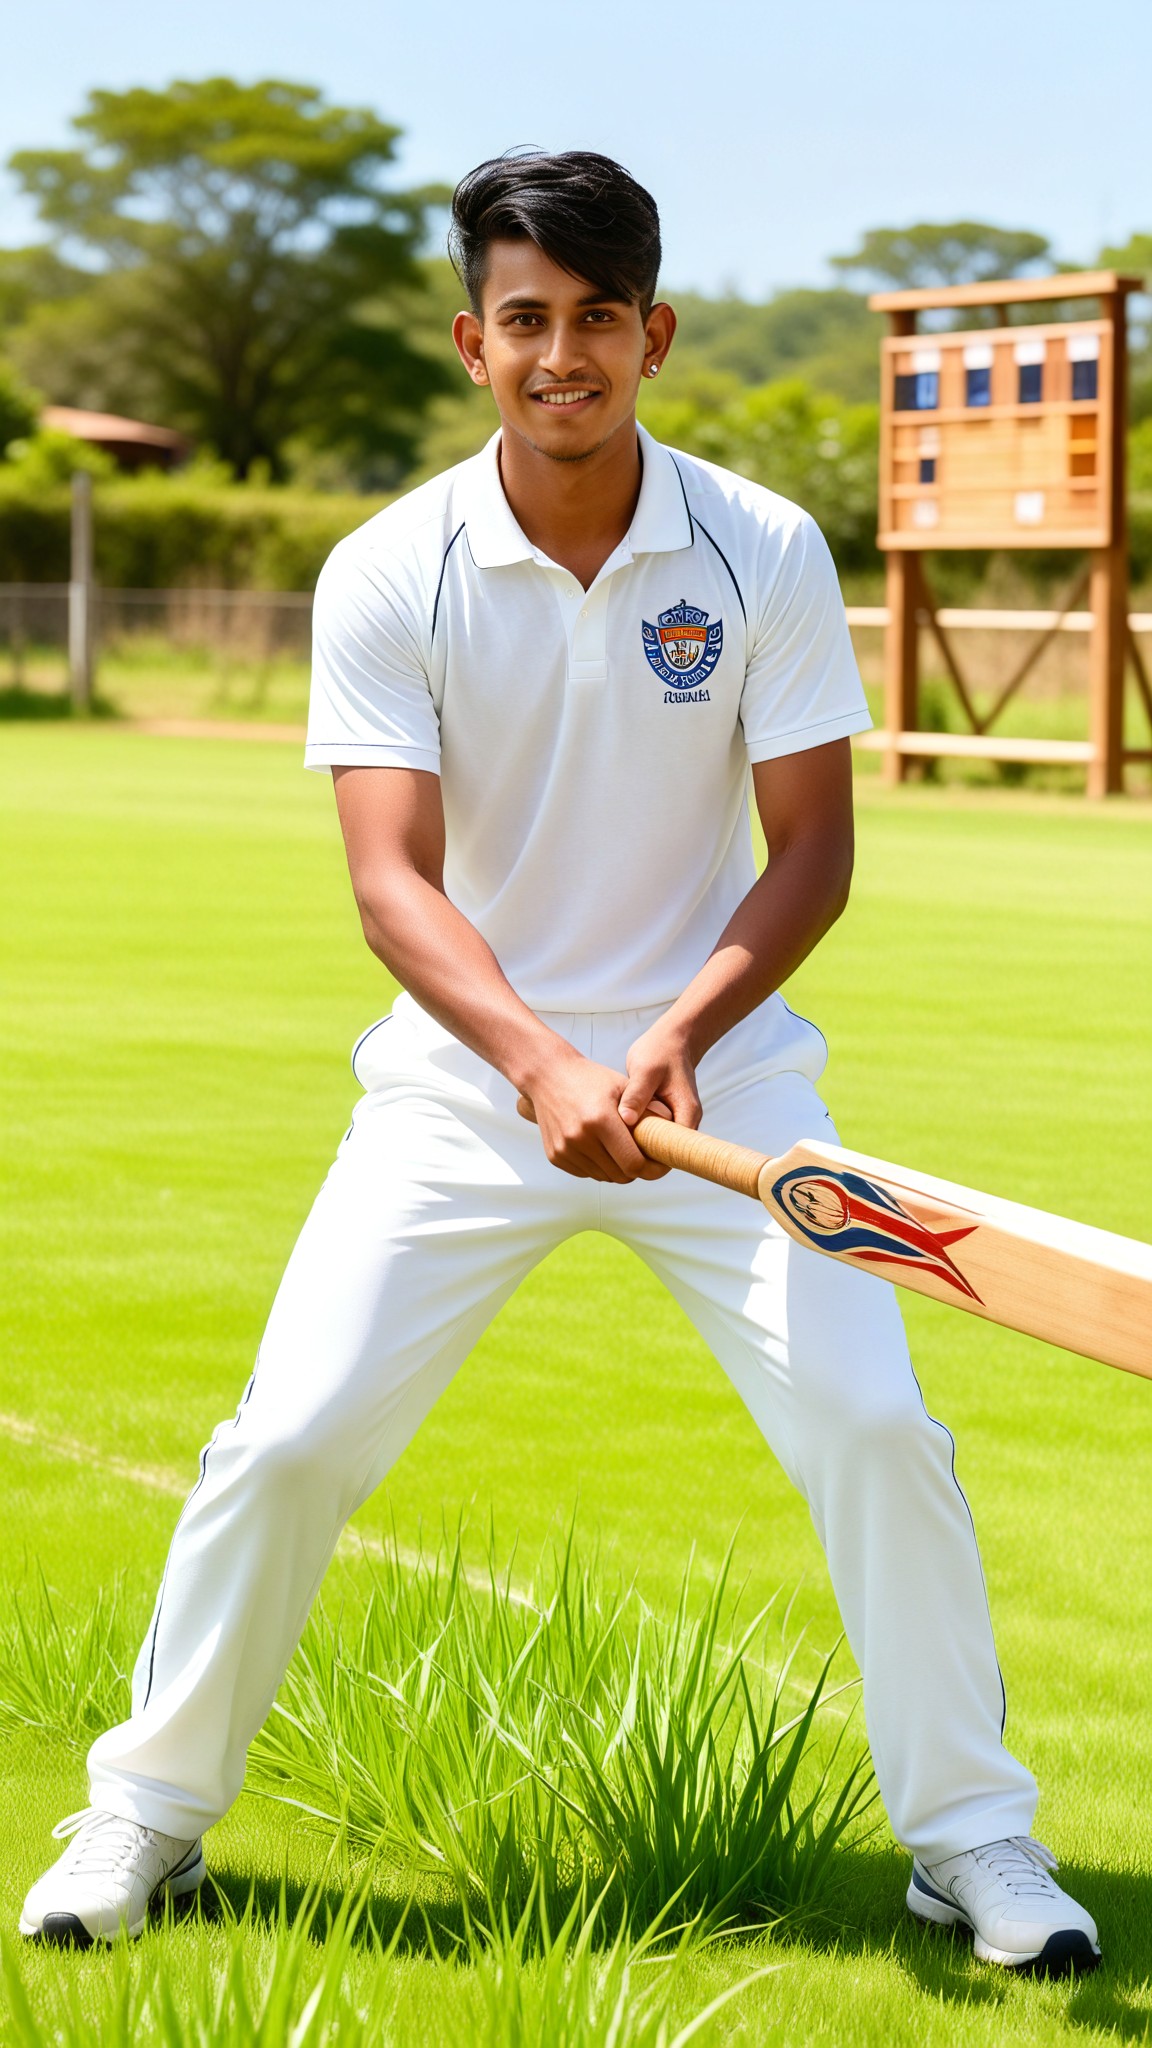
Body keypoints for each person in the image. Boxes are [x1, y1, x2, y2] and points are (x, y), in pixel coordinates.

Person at [21, 150, 1098, 1974]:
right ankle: (149, 1812)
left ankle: (972, 1843)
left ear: (654, 334)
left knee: (876, 1425)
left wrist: (674, 1038)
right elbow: (390, 882)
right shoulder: (391, 567)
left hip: (725, 1088)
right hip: (463, 1089)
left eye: (600, 318)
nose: (564, 352)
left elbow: (813, 854)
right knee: (284, 1441)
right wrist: (537, 1062)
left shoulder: (763, 546)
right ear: (473, 341)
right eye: (529, 319)